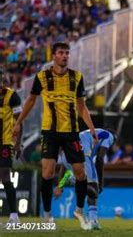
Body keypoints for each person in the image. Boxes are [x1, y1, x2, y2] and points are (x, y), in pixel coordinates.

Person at [13, 42, 97, 229]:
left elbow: (81, 106)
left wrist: (91, 128)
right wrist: (18, 123)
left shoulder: (77, 77)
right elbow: (31, 100)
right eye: (61, 53)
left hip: (71, 132)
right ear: (54, 55)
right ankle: (48, 215)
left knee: (80, 173)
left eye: (67, 53)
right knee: (47, 172)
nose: (65, 56)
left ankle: (79, 211)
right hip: (50, 132)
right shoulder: (42, 77)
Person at [54, 128, 115, 230]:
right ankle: (93, 220)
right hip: (83, 156)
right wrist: (100, 183)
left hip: (66, 154)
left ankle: (93, 220)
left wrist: (60, 186)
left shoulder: (87, 134)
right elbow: (100, 159)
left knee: (90, 187)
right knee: (94, 190)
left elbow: (63, 167)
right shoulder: (109, 136)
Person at [0, 67, 23, 224]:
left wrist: (18, 144)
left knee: (5, 175)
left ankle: (14, 215)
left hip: (5, 143)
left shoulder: (11, 96)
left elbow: (19, 121)